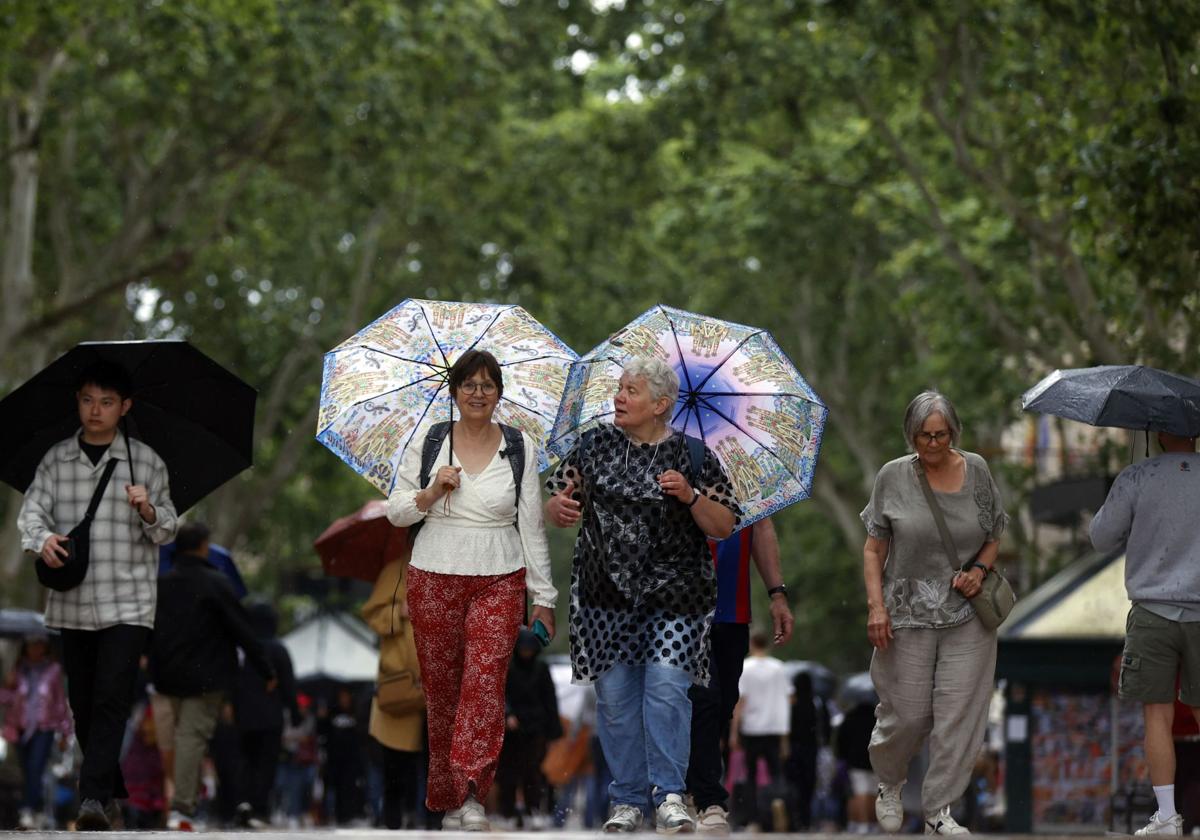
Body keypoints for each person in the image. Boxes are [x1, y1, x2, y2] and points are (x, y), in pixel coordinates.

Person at [545, 356, 740, 834]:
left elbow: (726, 524)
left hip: (677, 596)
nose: (619, 397)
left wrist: (692, 497)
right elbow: (554, 498)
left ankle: (670, 795)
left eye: (630, 391)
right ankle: (627, 800)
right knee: (615, 700)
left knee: (668, 691)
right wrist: (559, 507)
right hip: (604, 596)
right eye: (619, 388)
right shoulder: (593, 447)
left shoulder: (693, 456)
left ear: (661, 404)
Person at [386, 349, 557, 832]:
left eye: (487, 385)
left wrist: (544, 598)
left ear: (499, 393)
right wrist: (431, 492)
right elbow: (396, 512)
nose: (478, 393)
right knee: (443, 694)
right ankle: (445, 797)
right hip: (433, 574)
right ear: (454, 391)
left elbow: (531, 528)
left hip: (500, 576)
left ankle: (471, 793)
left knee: (483, 685)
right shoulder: (428, 440)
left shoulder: (520, 447)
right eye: (469, 385)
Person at [18, 360, 179, 830]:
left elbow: (168, 529)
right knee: (82, 702)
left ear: (124, 407)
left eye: (107, 402)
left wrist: (148, 508)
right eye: (88, 399)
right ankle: (109, 787)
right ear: (78, 402)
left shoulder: (146, 462)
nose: (95, 410)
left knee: (112, 696)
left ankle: (92, 799)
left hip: (129, 602)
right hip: (71, 601)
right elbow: (32, 511)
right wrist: (41, 539)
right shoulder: (55, 459)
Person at [860, 391, 1007, 836]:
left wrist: (980, 569)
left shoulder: (976, 470)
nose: (932, 444)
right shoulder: (893, 477)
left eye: (940, 435)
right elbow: (873, 549)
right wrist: (876, 607)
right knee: (907, 714)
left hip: (967, 615)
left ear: (953, 433)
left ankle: (938, 811)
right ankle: (889, 779)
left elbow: (995, 532)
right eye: (923, 435)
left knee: (958, 714)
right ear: (911, 435)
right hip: (904, 613)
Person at [1090, 429, 1200, 836]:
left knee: (1157, 712)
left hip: (1152, 612)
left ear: (1159, 432)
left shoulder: (1137, 477)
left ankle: (1168, 817)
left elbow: (1101, 538)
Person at [148, 521, 277, 831]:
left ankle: (185, 805)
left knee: (184, 737)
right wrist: (265, 668)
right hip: (206, 678)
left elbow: (148, 631)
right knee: (191, 738)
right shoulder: (217, 583)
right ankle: (181, 808)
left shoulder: (161, 585)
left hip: (167, 675)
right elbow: (241, 629)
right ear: (204, 545)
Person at [687, 518, 795, 834]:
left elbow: (761, 529)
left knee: (723, 702)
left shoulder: (746, 473)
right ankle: (708, 798)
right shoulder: (670, 469)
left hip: (733, 610)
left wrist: (777, 594)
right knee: (704, 698)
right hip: (682, 608)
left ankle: (694, 781)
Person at [361, 555, 425, 830]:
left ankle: (432, 818)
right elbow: (373, 616)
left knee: (436, 756)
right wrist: (398, 611)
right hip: (398, 680)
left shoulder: (452, 564)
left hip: (438, 676)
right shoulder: (393, 570)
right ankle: (394, 817)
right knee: (395, 758)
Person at [229, 600, 297, 828]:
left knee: (246, 762)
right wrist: (295, 714)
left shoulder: (241, 648)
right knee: (266, 765)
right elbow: (288, 685)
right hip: (271, 719)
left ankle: (242, 803)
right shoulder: (278, 649)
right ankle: (260, 808)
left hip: (243, 717)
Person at [0, 634, 72, 830]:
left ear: (45, 647)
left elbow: (59, 703)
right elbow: (5, 699)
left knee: (35, 767)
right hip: (20, 728)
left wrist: (66, 731)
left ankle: (27, 809)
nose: (35, 649)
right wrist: (8, 684)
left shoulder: (53, 670)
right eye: (32, 645)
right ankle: (38, 808)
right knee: (27, 771)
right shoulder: (18, 670)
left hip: (44, 727)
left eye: (39, 645)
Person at [496, 628, 563, 827]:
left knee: (533, 772)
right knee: (508, 773)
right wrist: (507, 715)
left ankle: (532, 810)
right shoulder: (509, 667)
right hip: (511, 730)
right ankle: (507, 812)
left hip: (535, 728)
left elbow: (549, 699)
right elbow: (502, 694)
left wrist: (554, 730)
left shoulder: (541, 668)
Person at [730, 630, 792, 831]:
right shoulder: (779, 667)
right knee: (777, 773)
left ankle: (754, 817)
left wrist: (734, 731)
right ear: (767, 644)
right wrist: (785, 738)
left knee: (751, 776)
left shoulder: (746, 667)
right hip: (775, 727)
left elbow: (741, 701)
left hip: (752, 729)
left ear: (751, 643)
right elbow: (788, 699)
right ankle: (778, 802)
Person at [785, 671, 828, 831]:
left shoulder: (791, 703)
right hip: (811, 749)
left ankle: (792, 818)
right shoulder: (817, 703)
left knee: (793, 783)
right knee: (808, 785)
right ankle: (806, 819)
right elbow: (826, 728)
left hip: (793, 748)